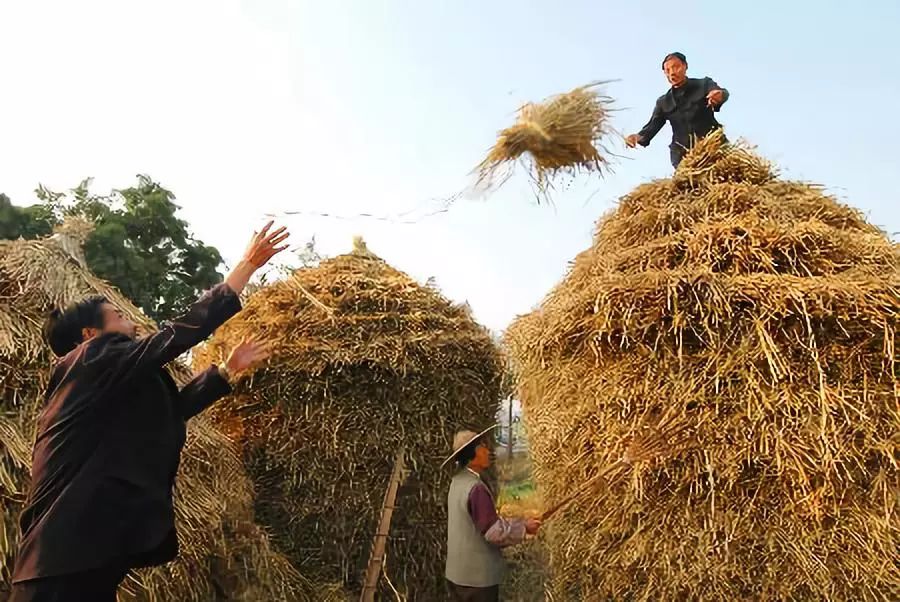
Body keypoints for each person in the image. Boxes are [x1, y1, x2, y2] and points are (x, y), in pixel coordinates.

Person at [9, 222, 290, 602]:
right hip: (60, 560)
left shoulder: (104, 384)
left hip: (81, 554)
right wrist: (244, 269)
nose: (133, 320)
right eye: (116, 314)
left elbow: (169, 411)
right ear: (90, 335)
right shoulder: (88, 361)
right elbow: (176, 335)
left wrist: (225, 371)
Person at [442, 427, 541, 602]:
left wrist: (519, 522)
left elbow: (480, 521)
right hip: (476, 580)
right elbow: (493, 532)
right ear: (473, 454)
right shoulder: (476, 488)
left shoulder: (457, 482)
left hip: (457, 575)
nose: (488, 451)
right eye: (483, 447)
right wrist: (524, 528)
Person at [625, 52, 730, 168]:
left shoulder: (703, 84)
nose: (672, 73)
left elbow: (720, 93)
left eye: (676, 67)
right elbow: (651, 127)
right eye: (668, 70)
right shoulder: (663, 102)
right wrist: (636, 137)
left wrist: (718, 96)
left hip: (712, 147)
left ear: (685, 66)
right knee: (686, 183)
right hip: (684, 156)